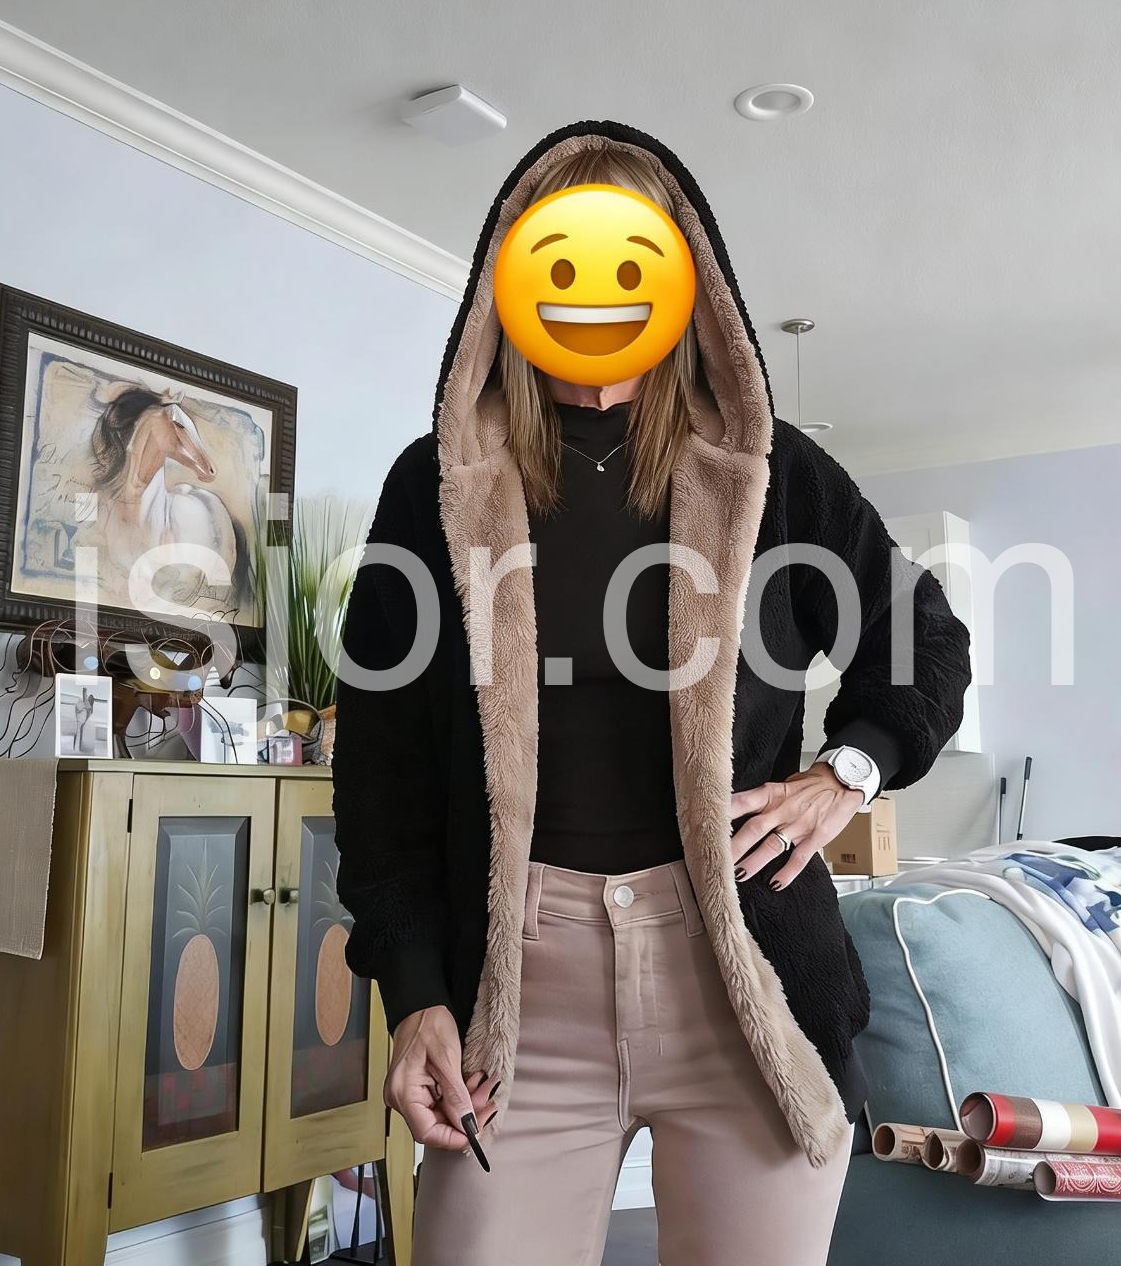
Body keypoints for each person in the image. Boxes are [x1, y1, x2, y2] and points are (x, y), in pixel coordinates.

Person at [332, 120, 972, 1265]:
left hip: (747, 985)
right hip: (517, 1000)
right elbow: (379, 769)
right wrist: (416, 993)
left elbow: (922, 639)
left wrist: (848, 771)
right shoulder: (434, 488)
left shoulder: (774, 478)